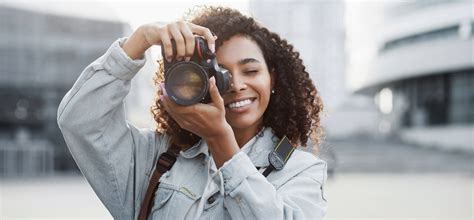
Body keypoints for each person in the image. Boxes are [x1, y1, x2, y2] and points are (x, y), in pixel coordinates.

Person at [57, 6, 327, 220]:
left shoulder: (301, 171)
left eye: (251, 70)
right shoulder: (156, 159)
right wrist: (140, 40)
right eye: (218, 73)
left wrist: (222, 142)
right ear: (191, 81)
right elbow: (80, 120)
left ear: (273, 79)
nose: (235, 84)